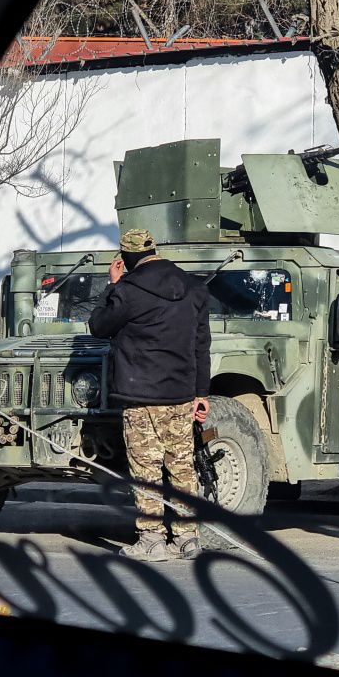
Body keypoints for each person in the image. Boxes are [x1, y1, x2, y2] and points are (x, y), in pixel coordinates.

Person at [89, 228, 212, 562]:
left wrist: (111, 286)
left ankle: (152, 540)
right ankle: (188, 539)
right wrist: (202, 393)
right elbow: (201, 345)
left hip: (140, 396)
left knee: (146, 469)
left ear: (127, 258)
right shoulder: (193, 288)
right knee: (182, 466)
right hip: (182, 395)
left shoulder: (128, 290)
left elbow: (99, 326)